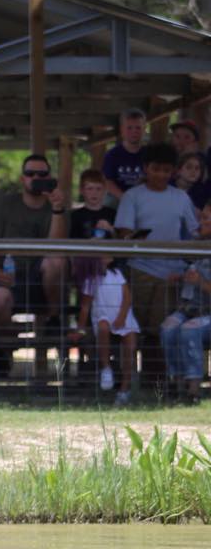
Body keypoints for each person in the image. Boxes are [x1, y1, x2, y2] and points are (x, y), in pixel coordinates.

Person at [115, 142, 199, 383]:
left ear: (173, 171)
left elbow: (194, 231)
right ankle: (129, 382)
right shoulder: (132, 196)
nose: (161, 175)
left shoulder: (181, 197)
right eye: (156, 169)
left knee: (160, 329)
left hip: (172, 273)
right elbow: (124, 231)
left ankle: (158, 383)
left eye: (166, 170)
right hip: (140, 269)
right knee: (135, 327)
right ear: (145, 168)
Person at [0, 154, 70, 376]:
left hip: (43, 279)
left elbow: (56, 247)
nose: (36, 178)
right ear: (22, 178)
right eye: (31, 174)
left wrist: (58, 209)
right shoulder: (3, 205)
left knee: (56, 261)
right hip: (8, 275)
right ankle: (1, 352)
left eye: (42, 174)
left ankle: (53, 319)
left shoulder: (56, 206)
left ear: (51, 178)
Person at [159, 201, 211, 404]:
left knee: (189, 330)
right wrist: (181, 277)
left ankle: (193, 390)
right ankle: (176, 384)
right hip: (190, 308)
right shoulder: (197, 245)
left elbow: (202, 281)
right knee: (168, 327)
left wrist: (200, 282)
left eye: (206, 218)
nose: (201, 222)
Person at [70, 256, 139, 406]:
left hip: (123, 315)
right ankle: (106, 368)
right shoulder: (90, 280)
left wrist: (121, 317)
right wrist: (80, 329)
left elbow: (127, 298)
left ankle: (124, 388)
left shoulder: (117, 274)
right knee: (103, 326)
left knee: (130, 344)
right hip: (103, 315)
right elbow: (85, 307)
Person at [102, 107, 147, 201]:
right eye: (129, 128)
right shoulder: (111, 155)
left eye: (138, 127)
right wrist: (125, 198)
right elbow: (108, 181)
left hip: (144, 199)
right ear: (122, 130)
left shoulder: (150, 154)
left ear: (144, 129)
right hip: (118, 199)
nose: (134, 131)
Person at [69, 169, 117, 240]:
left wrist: (110, 229)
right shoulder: (75, 215)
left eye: (98, 189)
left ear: (105, 191)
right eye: (89, 189)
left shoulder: (113, 214)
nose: (94, 193)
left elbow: (121, 240)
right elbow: (72, 241)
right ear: (81, 190)